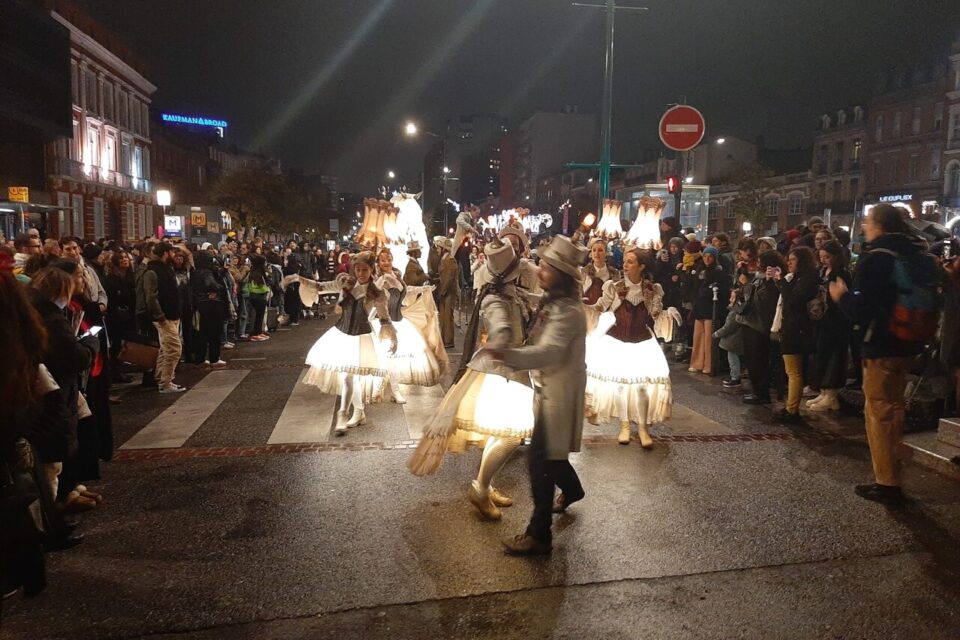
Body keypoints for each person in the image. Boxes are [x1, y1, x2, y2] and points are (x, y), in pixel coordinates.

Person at [410, 237, 536, 520]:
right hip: (502, 374)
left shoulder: (509, 293)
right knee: (512, 436)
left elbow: (528, 303)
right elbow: (499, 325)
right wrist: (502, 339)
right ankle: (479, 489)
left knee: (500, 433)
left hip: (510, 371)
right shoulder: (494, 299)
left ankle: (485, 484)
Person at [491, 235, 588, 556]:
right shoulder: (553, 301)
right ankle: (573, 489)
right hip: (546, 391)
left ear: (561, 274)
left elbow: (549, 352)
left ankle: (539, 534)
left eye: (547, 266)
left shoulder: (570, 311)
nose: (540, 269)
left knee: (539, 462)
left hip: (557, 395)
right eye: (542, 263)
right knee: (551, 456)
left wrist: (508, 355)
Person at [829, 204, 931, 505]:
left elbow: (864, 308)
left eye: (867, 220)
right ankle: (894, 468)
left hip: (882, 343)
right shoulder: (916, 252)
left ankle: (887, 482)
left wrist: (842, 297)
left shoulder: (877, 257)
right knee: (894, 406)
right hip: (910, 340)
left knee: (880, 411)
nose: (863, 224)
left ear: (880, 225)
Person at [585, 246, 671, 448]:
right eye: (624, 261)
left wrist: (666, 315)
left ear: (641, 266)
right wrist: (582, 308)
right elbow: (599, 307)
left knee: (642, 387)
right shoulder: (613, 287)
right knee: (621, 386)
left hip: (641, 342)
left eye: (630, 262)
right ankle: (624, 426)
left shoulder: (651, 289)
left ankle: (642, 428)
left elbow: (656, 313)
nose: (625, 265)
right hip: (617, 341)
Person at [303, 252, 397, 433]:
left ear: (371, 270)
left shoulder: (377, 293)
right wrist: (296, 279)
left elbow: (385, 318)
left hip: (361, 336)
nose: (361, 273)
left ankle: (347, 413)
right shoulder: (346, 283)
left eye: (365, 270)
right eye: (358, 269)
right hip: (342, 334)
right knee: (349, 376)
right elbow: (321, 286)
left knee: (350, 375)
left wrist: (393, 337)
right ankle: (353, 412)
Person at [374, 247, 442, 401]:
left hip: (398, 320)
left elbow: (405, 290)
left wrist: (422, 289)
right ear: (378, 262)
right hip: (382, 322)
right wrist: (382, 280)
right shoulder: (377, 278)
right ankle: (387, 389)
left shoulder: (396, 274)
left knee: (393, 357)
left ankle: (389, 390)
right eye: (383, 260)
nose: (387, 262)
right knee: (388, 357)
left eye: (389, 259)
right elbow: (373, 294)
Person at [773, 246, 819, 423]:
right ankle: (790, 408)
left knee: (794, 371)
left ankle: (792, 410)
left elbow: (792, 301)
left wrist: (783, 283)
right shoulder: (798, 278)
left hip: (797, 329)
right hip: (792, 327)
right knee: (792, 370)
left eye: (792, 260)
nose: (788, 263)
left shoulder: (807, 280)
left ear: (801, 261)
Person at [738, 250, 787, 405]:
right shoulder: (759, 280)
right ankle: (757, 391)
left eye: (761, 263)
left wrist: (769, 281)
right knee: (751, 360)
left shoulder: (775, 282)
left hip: (760, 327)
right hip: (750, 323)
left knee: (758, 361)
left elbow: (766, 304)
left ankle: (761, 393)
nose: (758, 265)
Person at [807, 240, 851, 412]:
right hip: (822, 319)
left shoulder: (842, 274)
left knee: (834, 355)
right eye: (821, 257)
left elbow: (843, 297)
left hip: (836, 320)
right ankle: (824, 391)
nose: (824, 260)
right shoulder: (823, 271)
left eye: (827, 257)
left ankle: (832, 394)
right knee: (822, 353)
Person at [141, 242, 185, 393]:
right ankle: (165, 382)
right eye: (172, 252)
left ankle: (162, 378)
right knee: (174, 349)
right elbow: (151, 297)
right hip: (164, 317)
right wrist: (161, 317)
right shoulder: (152, 271)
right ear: (166, 253)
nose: (175, 256)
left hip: (172, 315)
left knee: (166, 349)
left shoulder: (167, 269)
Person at [688, 245, 729, 375]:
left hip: (711, 307)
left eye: (710, 256)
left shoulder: (718, 272)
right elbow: (694, 288)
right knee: (698, 336)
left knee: (708, 339)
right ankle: (697, 363)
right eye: (705, 256)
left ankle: (709, 364)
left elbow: (721, 291)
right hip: (699, 307)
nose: (707, 259)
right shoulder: (699, 270)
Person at [102, 251, 137, 383]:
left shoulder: (130, 277)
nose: (124, 260)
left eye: (126, 258)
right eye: (121, 258)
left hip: (129, 314)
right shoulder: (111, 278)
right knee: (116, 344)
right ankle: (116, 372)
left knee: (125, 344)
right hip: (115, 315)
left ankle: (121, 369)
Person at [191, 252, 227, 367]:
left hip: (199, 304)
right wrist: (218, 288)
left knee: (201, 333)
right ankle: (214, 358)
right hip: (211, 305)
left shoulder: (195, 272)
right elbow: (211, 284)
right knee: (214, 333)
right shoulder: (207, 272)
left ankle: (200, 358)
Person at [60, 237, 108, 313]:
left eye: (75, 248)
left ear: (79, 249)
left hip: (96, 312)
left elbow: (101, 291)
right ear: (61, 252)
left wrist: (102, 305)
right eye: (68, 249)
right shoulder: (61, 272)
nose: (72, 252)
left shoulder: (89, 269)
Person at [714, 288, 745, 388]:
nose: (730, 299)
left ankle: (735, 378)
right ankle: (735, 377)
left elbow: (728, 327)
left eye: (732, 297)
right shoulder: (736, 310)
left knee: (733, 360)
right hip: (734, 339)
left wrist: (716, 334)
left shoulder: (734, 312)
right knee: (733, 359)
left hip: (733, 340)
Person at [580, 239, 620, 305]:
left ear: (606, 253)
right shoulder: (584, 271)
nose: (596, 253)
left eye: (600, 250)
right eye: (594, 250)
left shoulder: (615, 273)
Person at [437, 238, 459, 349]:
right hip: (445, 292)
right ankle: (444, 339)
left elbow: (449, 278)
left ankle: (449, 341)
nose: (437, 250)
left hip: (449, 292)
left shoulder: (450, 260)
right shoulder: (444, 259)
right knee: (444, 317)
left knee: (448, 317)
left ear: (443, 248)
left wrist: (443, 291)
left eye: (438, 247)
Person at [244, 255, 271, 342]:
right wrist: (267, 289)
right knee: (258, 316)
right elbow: (261, 286)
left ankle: (258, 332)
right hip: (258, 296)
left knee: (260, 315)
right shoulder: (257, 273)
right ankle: (255, 334)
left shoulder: (255, 272)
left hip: (257, 296)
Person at [283, 252, 303, 326]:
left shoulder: (289, 267)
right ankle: (295, 319)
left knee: (291, 303)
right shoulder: (299, 266)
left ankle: (292, 319)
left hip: (290, 287)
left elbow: (285, 274)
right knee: (297, 302)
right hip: (298, 286)